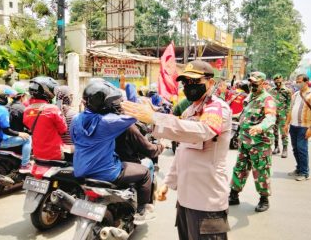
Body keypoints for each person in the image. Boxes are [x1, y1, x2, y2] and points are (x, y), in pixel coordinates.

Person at [122, 60, 232, 240]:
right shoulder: (190, 111)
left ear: (210, 83)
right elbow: (183, 150)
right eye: (186, 82)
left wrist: (155, 118)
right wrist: (168, 182)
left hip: (208, 202)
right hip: (186, 200)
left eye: (195, 81)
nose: (190, 86)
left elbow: (203, 131)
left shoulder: (216, 107)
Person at [71, 80, 152, 221]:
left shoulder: (76, 119)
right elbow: (134, 116)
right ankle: (142, 211)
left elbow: (74, 139)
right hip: (107, 173)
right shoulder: (108, 122)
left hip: (80, 171)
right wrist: (131, 92)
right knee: (145, 172)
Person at [229, 71, 276, 212]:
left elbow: (270, 118)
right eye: (250, 83)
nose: (252, 85)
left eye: (255, 83)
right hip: (244, 141)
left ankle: (264, 199)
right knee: (239, 168)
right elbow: (245, 114)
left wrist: (260, 127)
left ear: (263, 83)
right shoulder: (250, 97)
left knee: (261, 171)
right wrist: (232, 116)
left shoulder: (267, 99)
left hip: (260, 143)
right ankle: (234, 194)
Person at [0, 85, 32, 173]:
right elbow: (6, 130)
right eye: (7, 97)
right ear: (3, 98)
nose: (9, 99)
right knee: (28, 139)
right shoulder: (2, 110)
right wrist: (20, 134)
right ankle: (25, 165)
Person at [284, 74, 311, 181]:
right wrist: (286, 123)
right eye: (297, 81)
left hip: (304, 127)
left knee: (302, 149)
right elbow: (291, 110)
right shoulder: (295, 95)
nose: (297, 83)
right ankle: (299, 168)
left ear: (306, 81)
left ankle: (305, 173)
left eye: (299, 81)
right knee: (295, 149)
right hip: (293, 126)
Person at [24, 77, 68, 161]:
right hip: (55, 153)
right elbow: (63, 130)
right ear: (46, 91)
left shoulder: (27, 110)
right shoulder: (53, 109)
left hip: (37, 154)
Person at [269, 74, 292, 158]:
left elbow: (290, 105)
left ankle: (285, 149)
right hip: (273, 114)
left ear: (282, 80)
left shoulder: (287, 91)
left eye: (279, 80)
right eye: (276, 80)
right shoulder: (271, 90)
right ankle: (276, 147)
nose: (277, 82)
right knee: (274, 132)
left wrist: (288, 117)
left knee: (284, 132)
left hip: (283, 115)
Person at [54, 85, 77, 157]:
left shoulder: (53, 112)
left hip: (57, 151)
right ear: (70, 97)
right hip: (72, 153)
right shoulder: (74, 115)